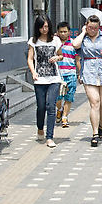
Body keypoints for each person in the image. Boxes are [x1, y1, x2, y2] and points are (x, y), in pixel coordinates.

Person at [72, 15, 102, 147]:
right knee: (94, 103)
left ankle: (101, 124)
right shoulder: (83, 37)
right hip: (88, 73)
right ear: (86, 25)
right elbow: (75, 45)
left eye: (95, 28)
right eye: (90, 27)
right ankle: (95, 133)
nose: (93, 30)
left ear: (99, 27)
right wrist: (84, 32)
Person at [27, 15, 63, 148]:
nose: (45, 29)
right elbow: (30, 59)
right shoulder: (33, 41)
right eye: (42, 27)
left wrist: (57, 58)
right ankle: (40, 128)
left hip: (54, 78)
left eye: (47, 26)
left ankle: (50, 137)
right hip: (39, 78)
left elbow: (61, 55)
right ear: (38, 27)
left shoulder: (55, 40)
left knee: (51, 106)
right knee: (41, 107)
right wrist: (33, 72)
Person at [54, 22, 80, 129]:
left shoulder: (74, 44)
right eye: (61, 32)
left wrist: (80, 74)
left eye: (65, 31)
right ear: (57, 32)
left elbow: (78, 60)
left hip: (71, 74)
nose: (63, 33)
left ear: (69, 32)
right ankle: (59, 110)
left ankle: (65, 116)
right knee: (58, 98)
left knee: (69, 97)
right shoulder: (54, 43)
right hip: (58, 75)